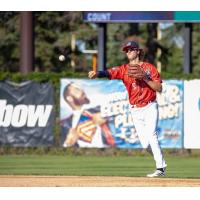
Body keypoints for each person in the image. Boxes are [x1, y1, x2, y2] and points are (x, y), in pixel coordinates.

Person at [88, 41, 167, 177]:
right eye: (126, 50)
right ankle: (160, 159)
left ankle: (160, 168)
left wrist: (145, 78)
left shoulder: (149, 68)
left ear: (138, 51)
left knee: (152, 135)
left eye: (131, 49)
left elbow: (159, 88)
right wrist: (98, 73)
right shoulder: (124, 69)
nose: (128, 52)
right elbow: (110, 72)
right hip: (135, 109)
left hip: (149, 106)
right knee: (145, 144)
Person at [60, 82, 115, 148]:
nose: (82, 91)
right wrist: (68, 143)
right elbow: (63, 148)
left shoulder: (99, 109)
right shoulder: (64, 125)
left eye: (81, 89)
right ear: (69, 98)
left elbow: (122, 112)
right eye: (77, 90)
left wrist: (107, 115)